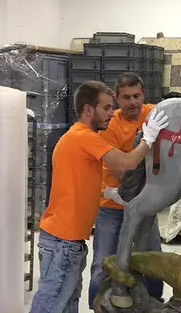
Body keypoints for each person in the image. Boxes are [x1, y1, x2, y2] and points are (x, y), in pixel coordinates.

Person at [30, 81, 169, 313]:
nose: (110, 114)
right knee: (51, 304)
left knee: (66, 304)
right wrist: (149, 138)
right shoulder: (84, 137)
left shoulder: (73, 137)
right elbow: (129, 162)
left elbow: (78, 178)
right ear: (88, 110)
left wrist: (109, 192)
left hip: (63, 239)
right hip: (63, 242)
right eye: (105, 108)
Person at [88, 73, 165, 308]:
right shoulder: (110, 126)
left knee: (153, 260)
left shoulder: (153, 113)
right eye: (126, 97)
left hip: (144, 207)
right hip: (113, 206)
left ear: (144, 95)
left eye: (137, 96)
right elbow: (122, 169)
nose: (133, 102)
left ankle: (153, 305)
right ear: (117, 100)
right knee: (104, 262)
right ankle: (97, 306)